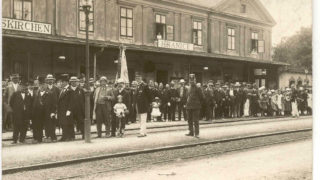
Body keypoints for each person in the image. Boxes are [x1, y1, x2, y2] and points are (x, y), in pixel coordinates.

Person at [32, 77, 57, 143]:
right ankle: (39, 138)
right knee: (39, 126)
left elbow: (54, 104)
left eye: (43, 85)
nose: (42, 86)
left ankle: (52, 137)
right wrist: (34, 113)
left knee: (49, 126)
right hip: (38, 113)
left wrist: (53, 112)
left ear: (45, 85)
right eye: (40, 85)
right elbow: (34, 104)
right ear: (39, 86)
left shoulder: (50, 93)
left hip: (47, 112)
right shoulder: (36, 94)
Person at [185, 74, 204, 138]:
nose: (191, 81)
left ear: (195, 80)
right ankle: (191, 132)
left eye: (192, 80)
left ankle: (197, 133)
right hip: (189, 106)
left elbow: (202, 97)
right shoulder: (189, 88)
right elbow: (187, 96)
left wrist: (198, 103)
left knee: (195, 120)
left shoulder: (198, 88)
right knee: (189, 120)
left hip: (196, 107)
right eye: (190, 80)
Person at [57, 74, 73, 141]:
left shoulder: (70, 90)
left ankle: (68, 136)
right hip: (62, 110)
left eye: (62, 82)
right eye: (60, 82)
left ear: (66, 82)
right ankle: (64, 136)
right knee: (63, 123)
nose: (61, 83)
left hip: (67, 110)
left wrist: (69, 110)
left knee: (67, 123)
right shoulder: (62, 90)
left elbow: (71, 101)